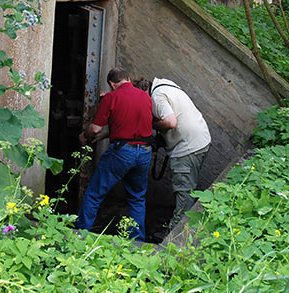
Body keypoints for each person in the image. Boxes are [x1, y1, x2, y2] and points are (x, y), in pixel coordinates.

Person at [75, 67, 153, 241]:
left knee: (94, 194)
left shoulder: (111, 97)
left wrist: (85, 135)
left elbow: (95, 129)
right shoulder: (145, 97)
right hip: (145, 152)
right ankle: (137, 241)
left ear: (111, 83)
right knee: (137, 198)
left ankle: (80, 235)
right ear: (128, 78)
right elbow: (132, 125)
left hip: (122, 153)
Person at [150, 77, 211, 231]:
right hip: (200, 141)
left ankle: (176, 235)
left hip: (187, 148)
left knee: (184, 192)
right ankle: (183, 227)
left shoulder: (157, 97)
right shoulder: (167, 85)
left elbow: (171, 122)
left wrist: (153, 124)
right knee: (188, 188)